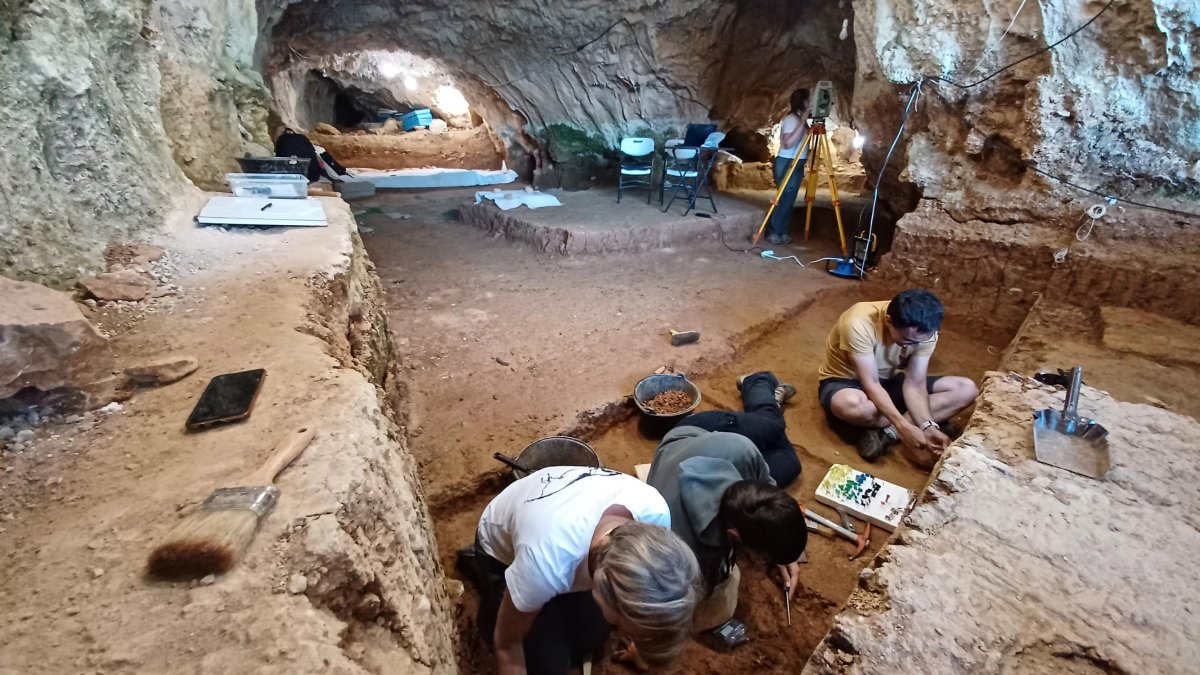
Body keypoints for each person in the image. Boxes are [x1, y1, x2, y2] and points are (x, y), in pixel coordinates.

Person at [472, 465, 701, 675]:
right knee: (549, 666)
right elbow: (507, 644)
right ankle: (488, 588)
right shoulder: (545, 562)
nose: (623, 634)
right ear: (600, 590)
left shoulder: (655, 517)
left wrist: (645, 645)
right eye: (623, 626)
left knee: (591, 638)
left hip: (558, 531)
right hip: (501, 551)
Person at [646, 374, 808, 628]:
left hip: (716, 447)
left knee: (789, 463)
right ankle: (758, 381)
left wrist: (783, 547)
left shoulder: (742, 452)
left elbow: (768, 487)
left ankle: (771, 417)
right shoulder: (691, 552)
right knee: (774, 426)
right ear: (734, 534)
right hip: (693, 431)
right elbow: (683, 609)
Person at [817, 289, 979, 466]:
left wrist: (928, 426)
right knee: (851, 405)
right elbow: (870, 383)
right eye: (907, 341)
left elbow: (915, 384)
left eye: (919, 342)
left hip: (888, 381)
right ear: (888, 321)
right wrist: (904, 426)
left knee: (967, 389)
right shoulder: (858, 323)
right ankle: (904, 423)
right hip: (847, 381)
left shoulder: (925, 331)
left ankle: (887, 433)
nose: (913, 346)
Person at [766, 89, 812, 245]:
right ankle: (774, 231)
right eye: (809, 100)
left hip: (796, 161)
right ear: (803, 101)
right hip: (788, 161)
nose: (811, 103)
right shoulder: (792, 119)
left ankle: (783, 230)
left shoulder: (800, 120)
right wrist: (802, 122)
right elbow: (788, 143)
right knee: (785, 198)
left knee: (789, 199)